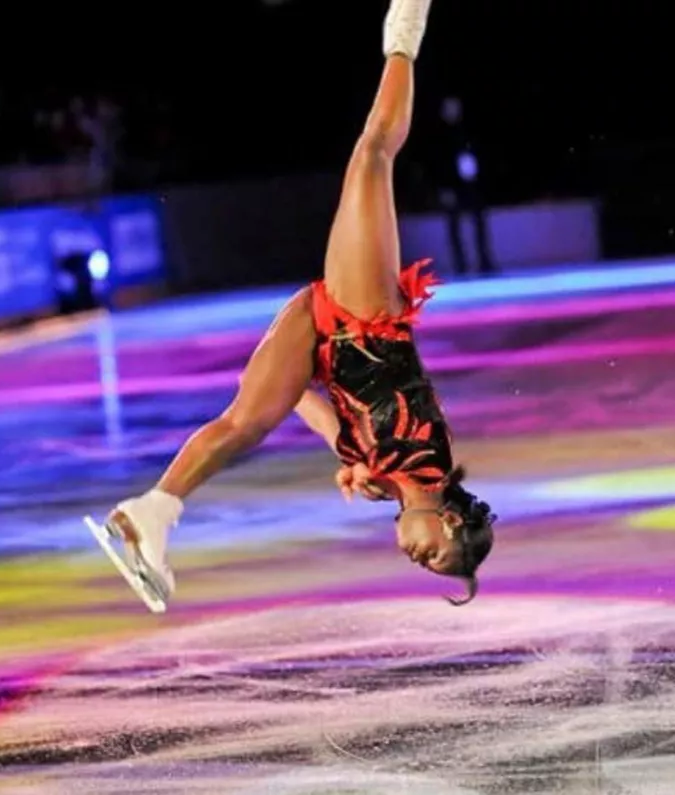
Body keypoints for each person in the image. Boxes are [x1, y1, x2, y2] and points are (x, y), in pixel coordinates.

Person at [87, 0, 496, 613]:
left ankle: (152, 515)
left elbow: (324, 417)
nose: (418, 559)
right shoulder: (430, 458)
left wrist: (288, 401)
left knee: (241, 425)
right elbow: (382, 408)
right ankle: (406, 28)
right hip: (366, 317)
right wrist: (364, 462)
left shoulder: (386, 483)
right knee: (372, 156)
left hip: (321, 344)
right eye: (437, 556)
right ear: (453, 525)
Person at [437, 95, 495, 277]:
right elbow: (438, 162)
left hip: (470, 183)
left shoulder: (467, 130)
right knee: (454, 225)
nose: (453, 111)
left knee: (479, 221)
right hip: (452, 185)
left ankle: (485, 261)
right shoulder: (440, 135)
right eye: (449, 107)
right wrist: (444, 188)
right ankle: (460, 264)